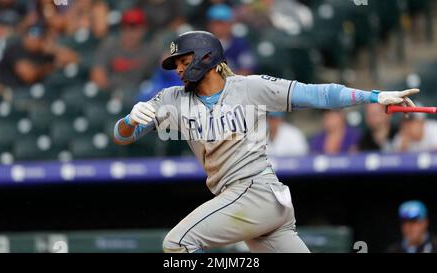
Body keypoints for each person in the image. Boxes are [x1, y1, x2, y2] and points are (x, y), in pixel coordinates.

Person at [113, 31, 419, 253]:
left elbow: (318, 94)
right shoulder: (171, 99)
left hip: (255, 191)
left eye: (182, 60)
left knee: (177, 244)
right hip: (258, 206)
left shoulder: (250, 87)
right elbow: (122, 137)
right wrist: (129, 121)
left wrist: (374, 96)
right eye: (175, 63)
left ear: (206, 56)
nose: (178, 68)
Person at [90, 8, 158, 91]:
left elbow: (168, 61)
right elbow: (98, 75)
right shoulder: (110, 45)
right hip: (110, 94)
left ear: (143, 30)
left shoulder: (150, 50)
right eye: (125, 27)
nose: (129, 32)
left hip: (137, 95)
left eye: (134, 28)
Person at [206, 4, 258, 75]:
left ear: (230, 24)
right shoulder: (203, 44)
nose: (218, 27)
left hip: (236, 84)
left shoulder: (240, 44)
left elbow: (247, 70)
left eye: (221, 23)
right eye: (215, 23)